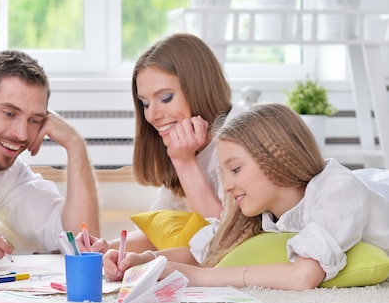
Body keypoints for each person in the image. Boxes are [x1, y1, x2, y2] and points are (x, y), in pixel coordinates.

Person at [103, 103, 389, 290]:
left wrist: (201, 278)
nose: (227, 186)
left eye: (236, 169)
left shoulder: (336, 190)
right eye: (225, 173)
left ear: (276, 156)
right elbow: (201, 252)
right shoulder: (258, 209)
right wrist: (144, 259)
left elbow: (303, 276)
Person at [78, 33, 246, 253]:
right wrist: (110, 248)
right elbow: (162, 228)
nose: (153, 115)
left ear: (199, 88)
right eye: (145, 104)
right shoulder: (184, 146)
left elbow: (225, 238)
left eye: (166, 98)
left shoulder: (241, 138)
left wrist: (184, 162)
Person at [0, 50, 100, 263]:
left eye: (34, 120)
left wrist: (75, 146)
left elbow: (82, 244)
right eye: (9, 114)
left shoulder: (11, 177)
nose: (21, 134)